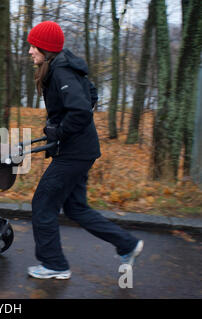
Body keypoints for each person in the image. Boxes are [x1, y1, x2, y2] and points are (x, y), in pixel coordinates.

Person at [26, 21, 143, 280]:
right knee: (76, 208)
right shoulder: (64, 66)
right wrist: (59, 127)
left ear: (45, 48)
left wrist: (58, 131)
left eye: (33, 46)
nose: (30, 51)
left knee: (43, 205)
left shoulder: (61, 72)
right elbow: (90, 94)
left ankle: (54, 265)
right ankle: (128, 244)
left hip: (74, 153)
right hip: (81, 150)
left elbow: (79, 110)